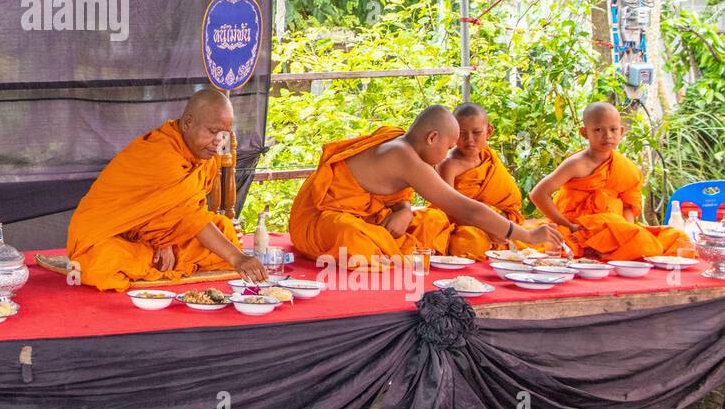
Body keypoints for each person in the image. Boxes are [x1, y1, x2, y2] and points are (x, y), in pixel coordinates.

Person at [288, 105, 564, 268]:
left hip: (362, 214)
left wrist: (405, 209)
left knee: (429, 221)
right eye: (447, 147)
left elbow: (392, 192)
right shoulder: (403, 156)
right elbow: (464, 208)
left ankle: (389, 250)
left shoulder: (400, 140)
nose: (447, 155)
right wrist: (525, 236)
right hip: (319, 222)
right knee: (351, 237)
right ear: (432, 137)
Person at [65, 88, 267, 291]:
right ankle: (152, 258)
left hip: (155, 233)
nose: (219, 141)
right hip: (112, 232)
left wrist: (167, 241)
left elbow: (179, 208)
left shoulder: (203, 154)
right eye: (213, 132)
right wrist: (238, 258)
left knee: (225, 230)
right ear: (188, 123)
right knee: (103, 261)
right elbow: (189, 215)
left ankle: (154, 258)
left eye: (224, 134)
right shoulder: (163, 154)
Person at [529, 101, 692, 261]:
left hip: (610, 228)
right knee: (543, 243)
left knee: (673, 238)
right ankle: (599, 252)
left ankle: (606, 251)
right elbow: (538, 194)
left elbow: (628, 206)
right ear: (585, 133)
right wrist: (567, 225)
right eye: (598, 130)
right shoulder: (576, 164)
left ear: (621, 131)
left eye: (613, 129)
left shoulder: (626, 168)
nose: (607, 136)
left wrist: (626, 231)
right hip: (574, 227)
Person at [414, 103, 528, 260]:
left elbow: (508, 200)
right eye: (462, 134)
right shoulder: (449, 164)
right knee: (469, 243)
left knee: (535, 238)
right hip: (466, 224)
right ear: (452, 133)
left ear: (489, 131)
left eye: (476, 133)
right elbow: (450, 209)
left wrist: (499, 222)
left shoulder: (488, 157)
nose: (469, 140)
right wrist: (489, 227)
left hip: (497, 221)